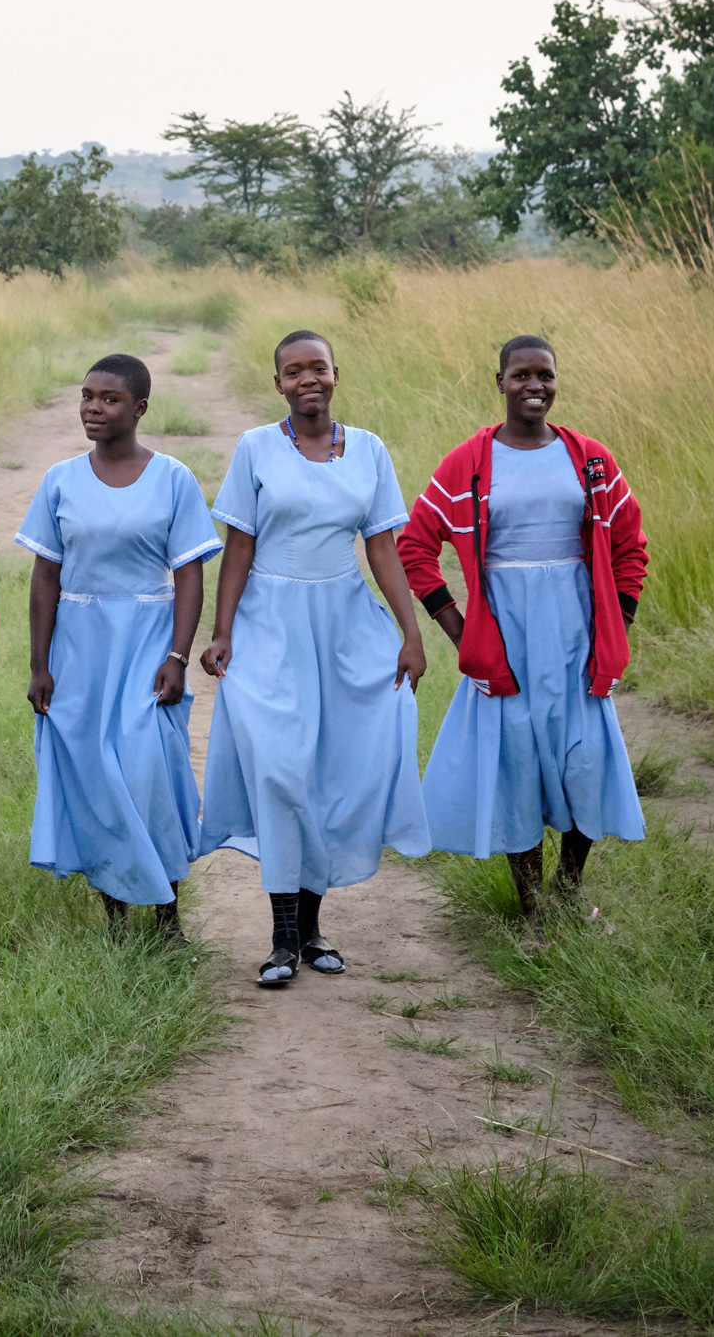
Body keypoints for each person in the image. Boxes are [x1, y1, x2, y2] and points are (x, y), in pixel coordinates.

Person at [199, 331, 430, 988]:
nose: (307, 378)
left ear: (335, 374)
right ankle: (279, 936)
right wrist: (221, 633)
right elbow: (238, 547)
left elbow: (381, 547)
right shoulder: (255, 447)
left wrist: (408, 635)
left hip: (345, 625)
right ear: (277, 382)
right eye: (293, 370)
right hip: (269, 624)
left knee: (332, 773)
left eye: (317, 367)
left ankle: (312, 930)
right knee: (279, 772)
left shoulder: (369, 449)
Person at [399, 335, 648, 930]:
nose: (535, 386)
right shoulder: (470, 461)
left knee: (585, 759)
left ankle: (569, 887)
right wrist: (463, 634)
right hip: (504, 638)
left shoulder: (589, 458)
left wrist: (617, 621)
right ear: (500, 382)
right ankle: (533, 908)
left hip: (577, 636)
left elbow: (629, 545)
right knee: (516, 764)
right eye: (521, 376)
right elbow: (415, 545)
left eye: (545, 375)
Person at [17, 353, 221, 941]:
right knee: (95, 778)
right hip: (79, 649)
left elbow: (188, 574)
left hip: (148, 642)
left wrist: (177, 657)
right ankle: (115, 918)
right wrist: (39, 664)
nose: (93, 407)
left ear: (139, 409)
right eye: (87, 396)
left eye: (109, 398)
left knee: (148, 771)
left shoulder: (173, 478)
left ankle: (167, 916)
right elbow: (46, 577)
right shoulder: (61, 479)